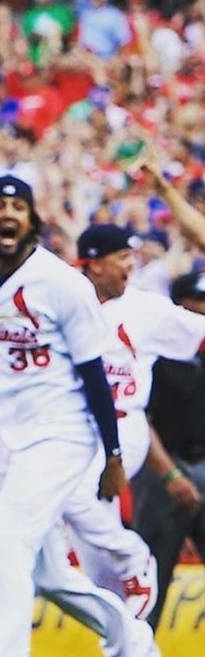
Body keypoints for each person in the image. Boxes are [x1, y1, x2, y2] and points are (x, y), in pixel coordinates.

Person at [0, 175, 153, 657]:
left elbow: (94, 375)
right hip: (6, 439)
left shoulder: (62, 284)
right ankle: (128, 641)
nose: (8, 215)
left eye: (18, 206)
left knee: (6, 541)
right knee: (48, 576)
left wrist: (112, 455)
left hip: (60, 433)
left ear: (33, 219)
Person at [64, 224, 205, 657]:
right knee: (97, 573)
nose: (131, 265)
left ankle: (133, 555)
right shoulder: (64, 299)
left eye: (133, 256)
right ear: (93, 262)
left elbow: (198, 333)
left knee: (76, 504)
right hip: (71, 429)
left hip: (124, 426)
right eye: (123, 256)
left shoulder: (145, 307)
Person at [131, 269, 205, 629]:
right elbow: (137, 416)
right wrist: (170, 473)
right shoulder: (153, 353)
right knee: (151, 576)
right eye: (195, 310)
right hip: (161, 467)